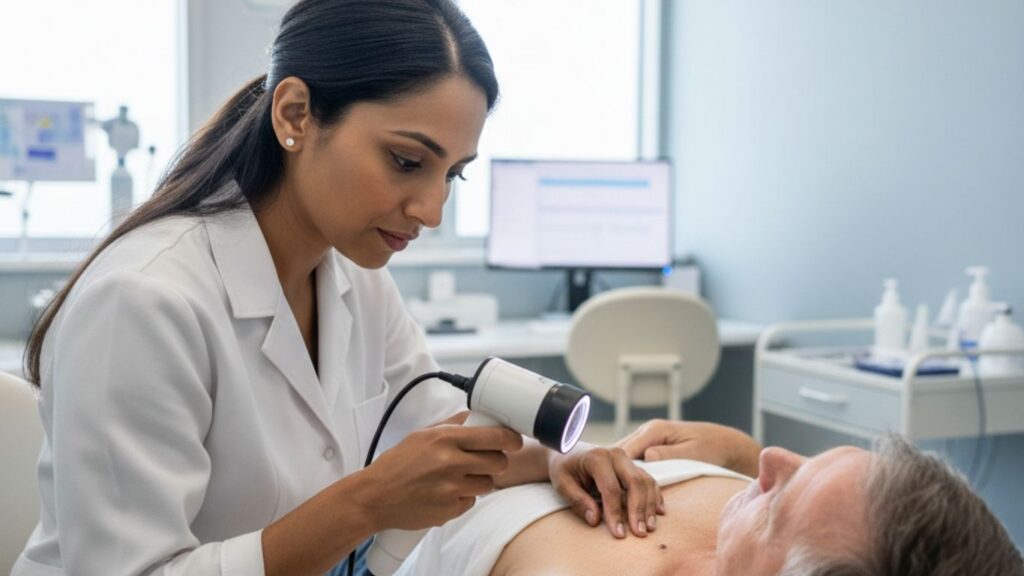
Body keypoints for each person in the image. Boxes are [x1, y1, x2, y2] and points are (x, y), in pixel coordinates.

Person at [12, 2, 662, 575]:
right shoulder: (144, 301)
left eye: (453, 176)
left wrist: (554, 463)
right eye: (407, 161)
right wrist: (369, 502)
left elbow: (431, 436)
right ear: (295, 114)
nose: (431, 210)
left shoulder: (351, 273)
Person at [398, 420, 1024, 576]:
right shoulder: (752, 508)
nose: (771, 461)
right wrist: (739, 454)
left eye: (776, 498)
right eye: (807, 461)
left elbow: (425, 474)